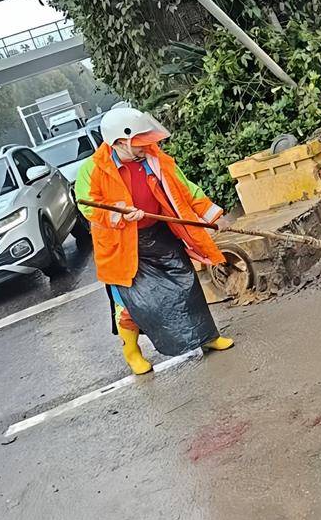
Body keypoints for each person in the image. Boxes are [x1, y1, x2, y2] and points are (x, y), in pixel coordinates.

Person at [76, 107, 234, 375]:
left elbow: (186, 189)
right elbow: (89, 208)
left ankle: (206, 337)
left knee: (188, 287)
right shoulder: (93, 169)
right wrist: (122, 212)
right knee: (130, 305)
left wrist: (212, 215)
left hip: (159, 235)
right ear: (119, 142)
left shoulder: (155, 159)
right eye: (139, 143)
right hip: (122, 247)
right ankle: (132, 353)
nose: (146, 146)